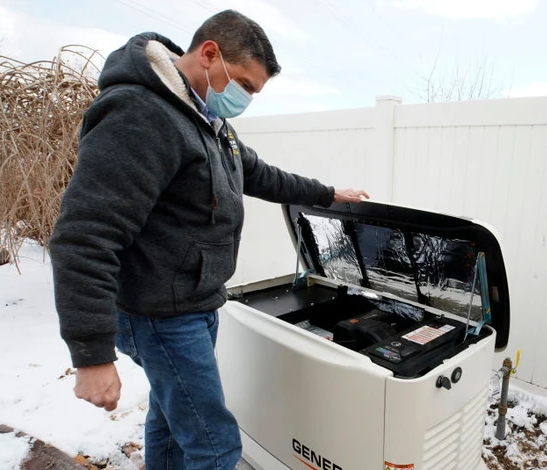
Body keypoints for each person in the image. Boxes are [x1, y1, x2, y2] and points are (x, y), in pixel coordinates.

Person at [49, 10, 369, 470]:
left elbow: (258, 174)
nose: (246, 98)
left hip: (193, 304)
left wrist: (326, 193)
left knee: (169, 419)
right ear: (210, 54)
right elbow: (85, 235)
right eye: (245, 84)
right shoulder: (140, 114)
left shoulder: (204, 119)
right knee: (215, 445)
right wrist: (90, 353)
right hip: (159, 314)